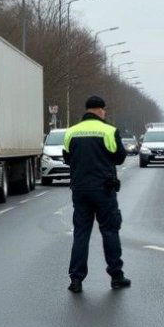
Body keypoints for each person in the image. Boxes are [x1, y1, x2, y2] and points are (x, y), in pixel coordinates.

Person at [63, 96, 130, 292]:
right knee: (110, 231)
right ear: (100, 110)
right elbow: (119, 158)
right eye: (104, 110)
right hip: (104, 190)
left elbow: (67, 158)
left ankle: (76, 279)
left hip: (80, 190)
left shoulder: (71, 132)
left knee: (81, 234)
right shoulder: (109, 131)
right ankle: (116, 276)